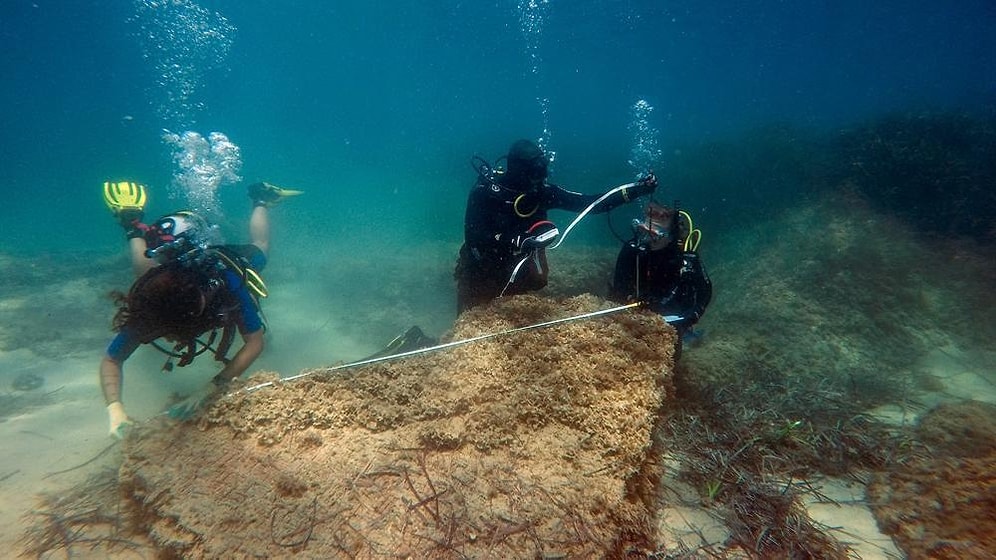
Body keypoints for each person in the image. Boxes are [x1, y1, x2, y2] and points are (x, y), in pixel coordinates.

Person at [99, 180, 302, 439]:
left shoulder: (228, 282)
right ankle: (132, 225)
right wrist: (115, 411)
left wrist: (211, 388)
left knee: (260, 248)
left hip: (213, 262)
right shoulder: (153, 304)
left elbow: (255, 343)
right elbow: (111, 360)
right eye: (166, 330)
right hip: (168, 259)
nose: (170, 338)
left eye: (172, 332)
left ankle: (261, 199)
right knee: (145, 272)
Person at [455, 139, 658, 313]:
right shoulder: (486, 192)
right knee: (469, 325)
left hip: (517, 270)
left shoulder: (542, 192)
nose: (541, 179)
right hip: (480, 270)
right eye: (535, 173)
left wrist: (635, 190)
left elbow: (590, 204)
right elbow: (474, 235)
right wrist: (513, 240)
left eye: (543, 172)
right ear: (518, 169)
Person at [608, 201, 712, 357]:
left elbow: (705, 290)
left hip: (673, 318)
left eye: (655, 234)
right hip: (636, 317)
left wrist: (690, 318)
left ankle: (689, 334)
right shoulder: (632, 250)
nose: (649, 238)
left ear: (672, 231)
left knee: (671, 357)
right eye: (645, 231)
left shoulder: (686, 257)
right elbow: (618, 289)